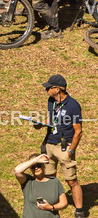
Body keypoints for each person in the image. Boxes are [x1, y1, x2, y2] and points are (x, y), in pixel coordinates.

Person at [36, 75, 87, 216]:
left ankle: (79, 211)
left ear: (57, 89)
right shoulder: (51, 101)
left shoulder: (73, 105)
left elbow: (78, 131)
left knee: (72, 181)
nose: (46, 90)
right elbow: (50, 118)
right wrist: (40, 124)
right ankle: (51, 207)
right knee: (49, 178)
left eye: (48, 87)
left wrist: (71, 150)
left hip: (64, 147)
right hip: (49, 144)